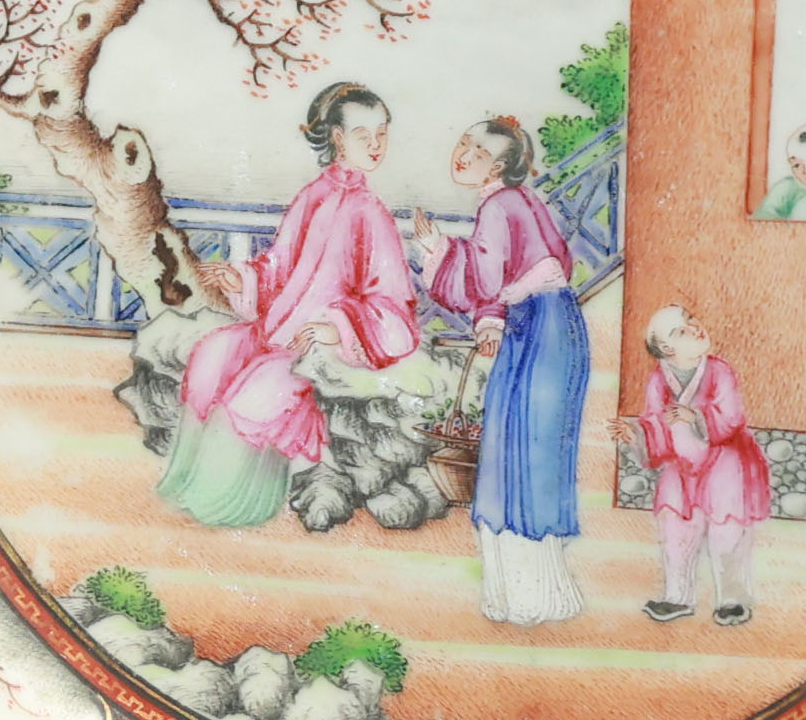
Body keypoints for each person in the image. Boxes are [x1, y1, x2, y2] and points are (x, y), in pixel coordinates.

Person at [161, 82, 427, 529]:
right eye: (363, 135)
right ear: (338, 139)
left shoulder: (371, 212)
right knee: (211, 357)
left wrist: (337, 327)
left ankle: (226, 506)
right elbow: (278, 268)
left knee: (251, 396)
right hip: (277, 331)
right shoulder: (312, 196)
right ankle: (183, 489)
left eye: (382, 134)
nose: (376, 145)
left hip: (321, 348)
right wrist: (244, 279)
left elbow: (393, 304)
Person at [421, 115, 589, 623]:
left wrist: (436, 250)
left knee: (517, 453)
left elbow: (485, 279)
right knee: (532, 453)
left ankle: (526, 599)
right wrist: (491, 320)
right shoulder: (520, 201)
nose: (463, 154)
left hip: (537, 330)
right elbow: (515, 274)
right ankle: (540, 596)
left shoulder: (499, 206)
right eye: (463, 142)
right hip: (552, 325)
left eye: (478, 151)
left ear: (497, 167)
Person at [634, 302, 772, 624]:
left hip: (724, 460)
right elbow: (653, 420)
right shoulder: (659, 380)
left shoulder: (719, 371)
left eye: (692, 320)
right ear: (667, 349)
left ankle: (732, 600)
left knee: (727, 529)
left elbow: (731, 416)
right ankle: (676, 597)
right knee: (674, 527)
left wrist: (695, 417)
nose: (696, 328)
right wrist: (638, 434)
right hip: (680, 464)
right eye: (682, 330)